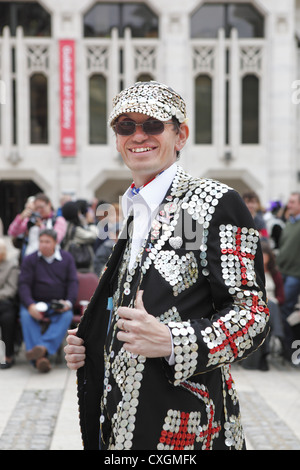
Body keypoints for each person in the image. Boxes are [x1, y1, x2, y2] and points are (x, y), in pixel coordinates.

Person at [64, 81, 269, 450]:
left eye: (153, 125)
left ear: (181, 135)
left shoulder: (215, 201)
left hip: (186, 425)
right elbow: (140, 302)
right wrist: (93, 342)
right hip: (119, 424)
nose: (138, 135)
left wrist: (175, 341)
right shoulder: (131, 210)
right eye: (126, 126)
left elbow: (252, 317)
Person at [19, 229, 78, 373]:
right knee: (26, 315)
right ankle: (41, 358)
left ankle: (41, 350)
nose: (43, 245)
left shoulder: (66, 258)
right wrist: (30, 305)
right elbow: (23, 284)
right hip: (35, 303)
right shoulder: (30, 259)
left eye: (47, 242)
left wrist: (68, 303)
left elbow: (73, 283)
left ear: (55, 243)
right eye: (41, 241)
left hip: (57, 304)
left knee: (66, 315)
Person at [276, 192, 300, 356]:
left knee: (284, 310)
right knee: (279, 309)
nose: (289, 205)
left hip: (295, 274)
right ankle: (286, 348)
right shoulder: (289, 224)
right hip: (282, 272)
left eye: (292, 202)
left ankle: (290, 350)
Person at [8, 193, 67, 258]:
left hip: (51, 259)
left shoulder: (58, 220)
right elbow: (12, 232)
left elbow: (57, 238)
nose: (39, 210)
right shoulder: (32, 220)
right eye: (36, 208)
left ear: (49, 204)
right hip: (30, 259)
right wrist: (20, 218)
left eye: (41, 207)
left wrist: (41, 226)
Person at [61, 201, 98, 272]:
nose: (80, 215)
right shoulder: (75, 230)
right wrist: (91, 224)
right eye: (79, 212)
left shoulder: (67, 225)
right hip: (79, 268)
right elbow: (94, 236)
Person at [0, 239, 19, 369]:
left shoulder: (11, 265)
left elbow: (10, 290)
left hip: (5, 302)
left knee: (7, 319)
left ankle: (8, 354)